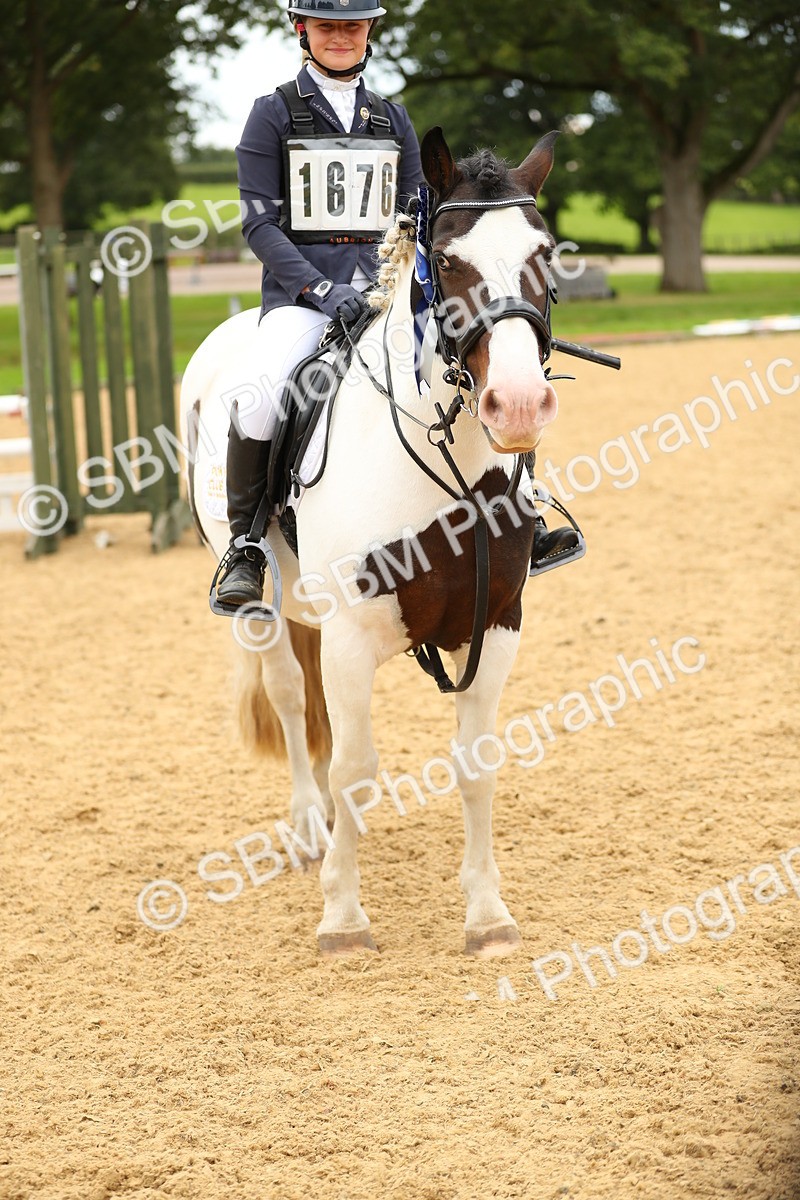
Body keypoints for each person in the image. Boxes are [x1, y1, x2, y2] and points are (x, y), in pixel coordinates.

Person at [214, 0, 581, 606]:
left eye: (351, 26)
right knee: (261, 389)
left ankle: (526, 506)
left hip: (390, 293)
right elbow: (261, 225)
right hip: (303, 298)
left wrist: (403, 284)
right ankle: (247, 544)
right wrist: (322, 290)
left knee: (489, 362)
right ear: (302, 30)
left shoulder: (390, 119)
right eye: (327, 26)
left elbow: (419, 213)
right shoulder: (272, 115)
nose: (340, 37)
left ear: (368, 33)